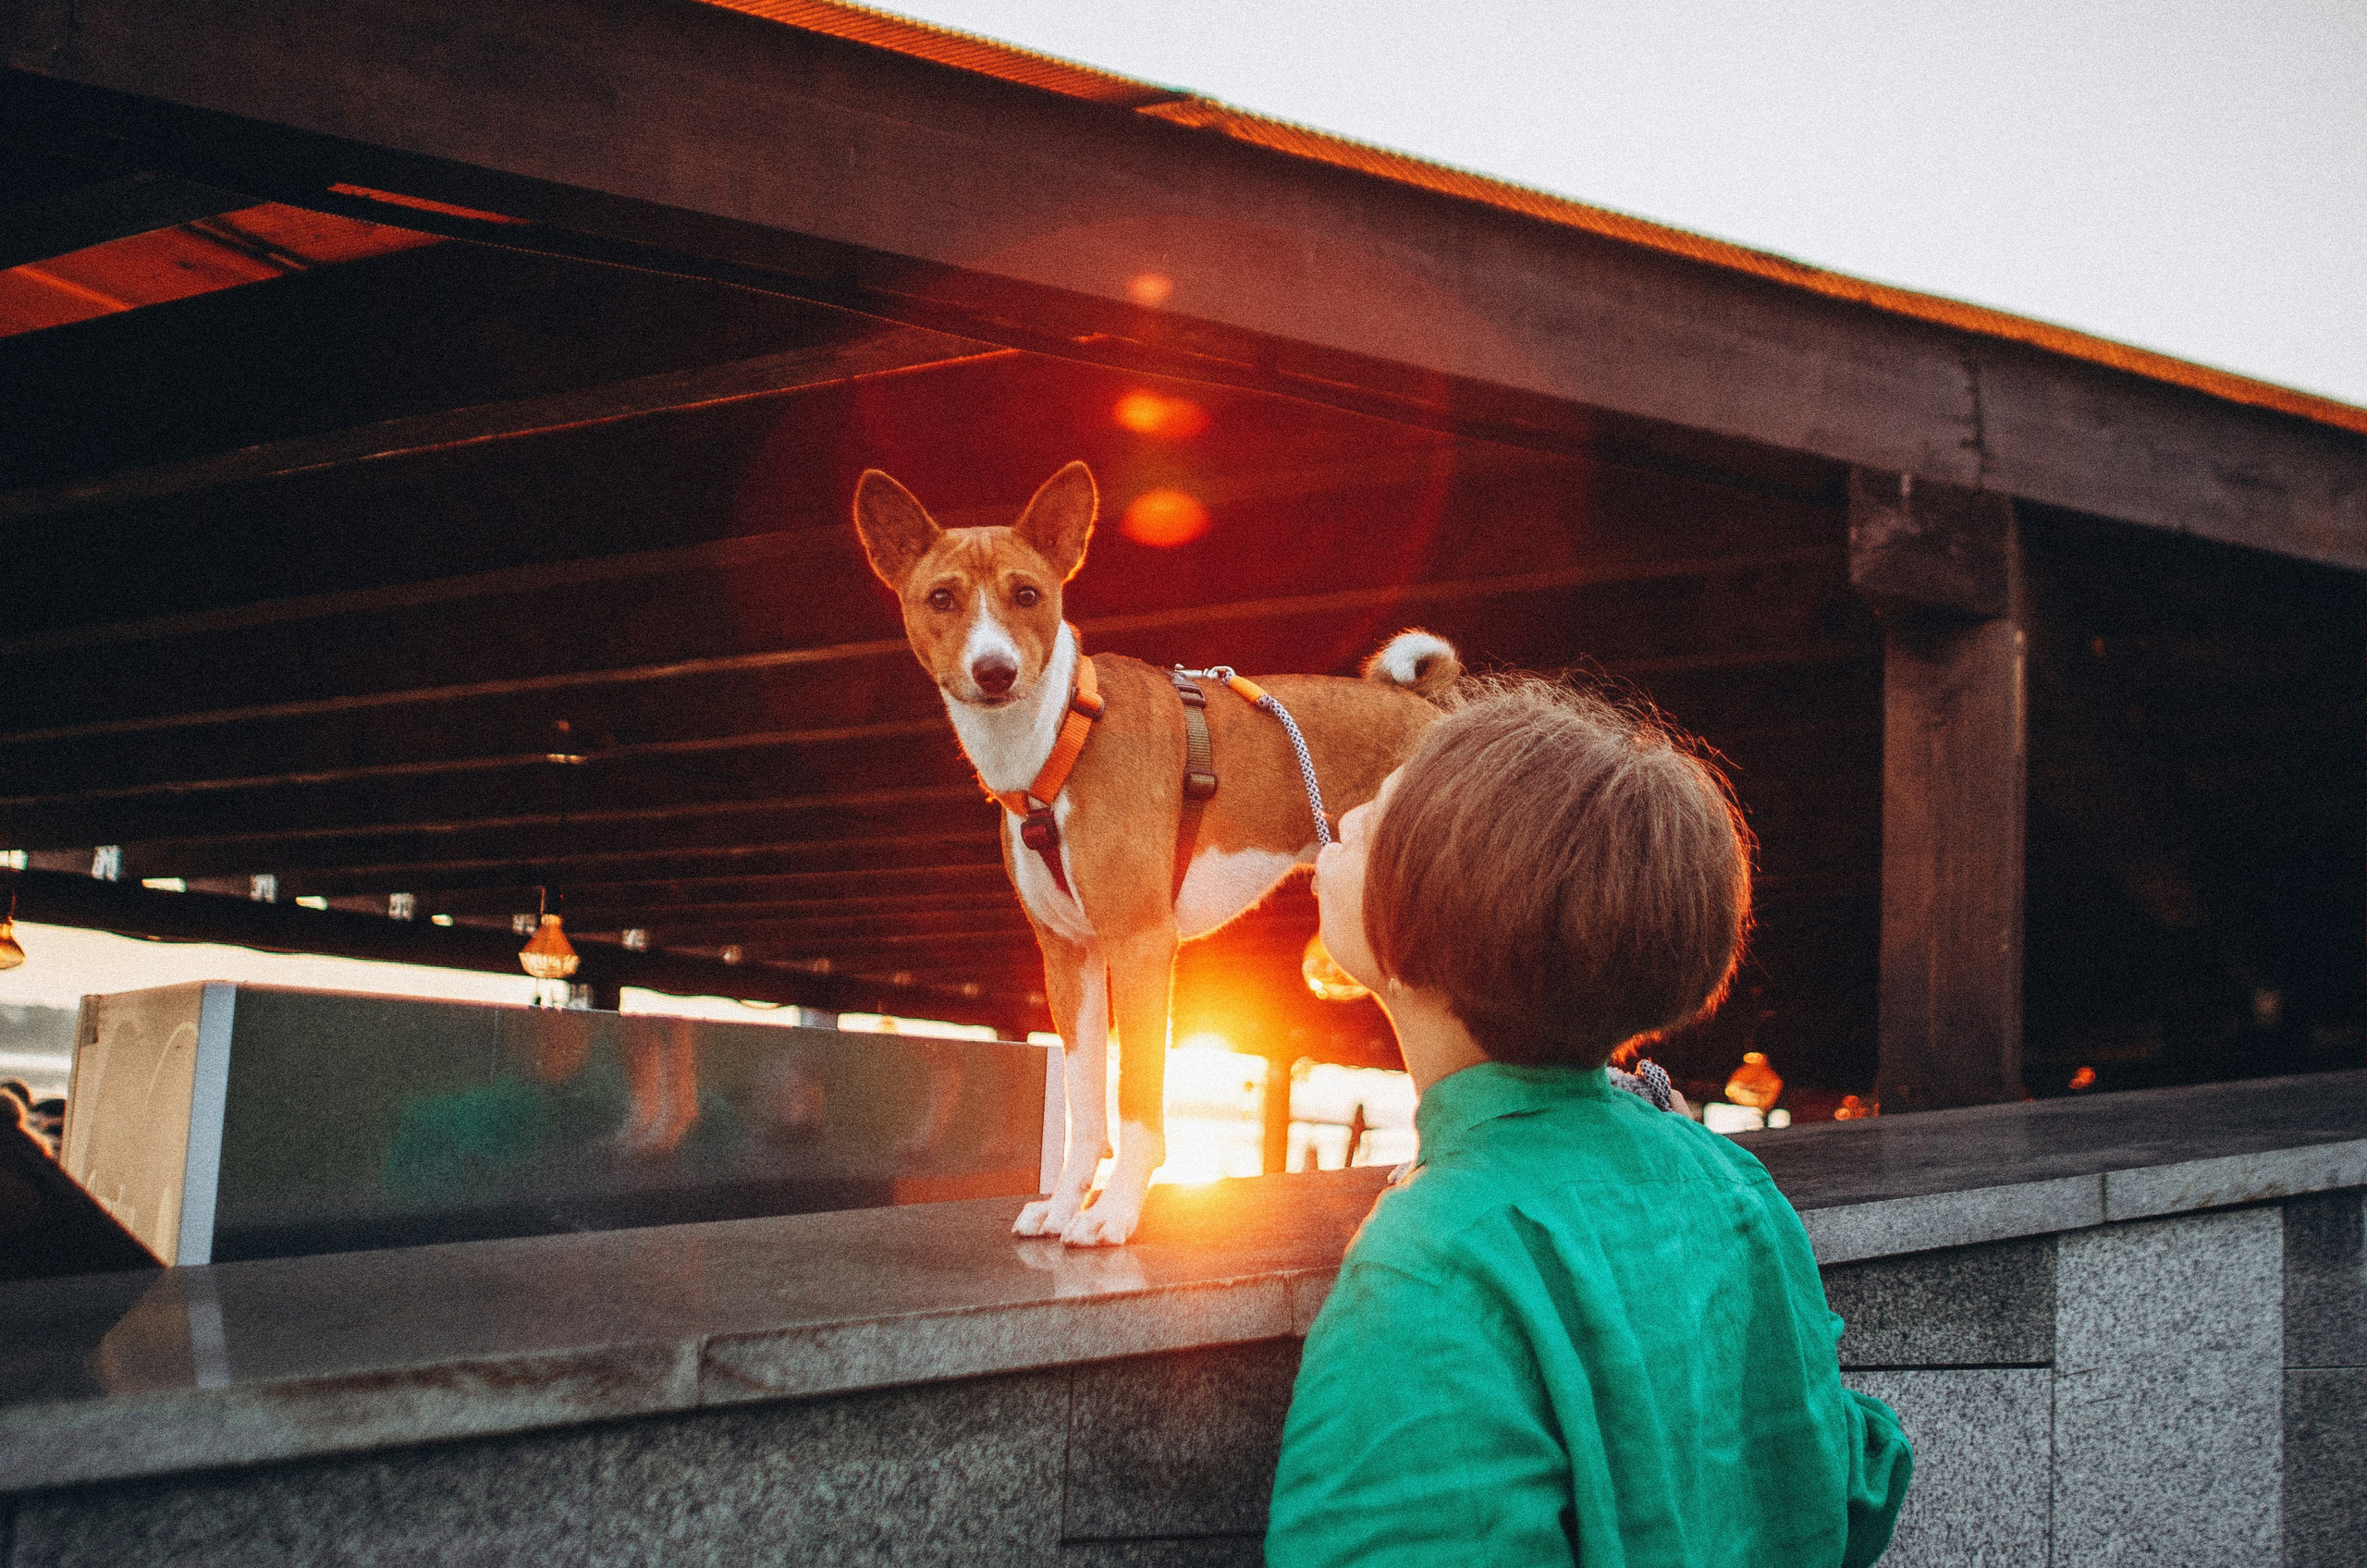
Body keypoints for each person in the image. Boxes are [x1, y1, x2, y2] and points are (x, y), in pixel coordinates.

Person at [1266, 679, 1911, 1566]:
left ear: (1427, 921)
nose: (1348, 815)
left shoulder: (1433, 1263)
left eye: (1386, 807)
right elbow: (1854, 1480)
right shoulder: (1729, 1184)